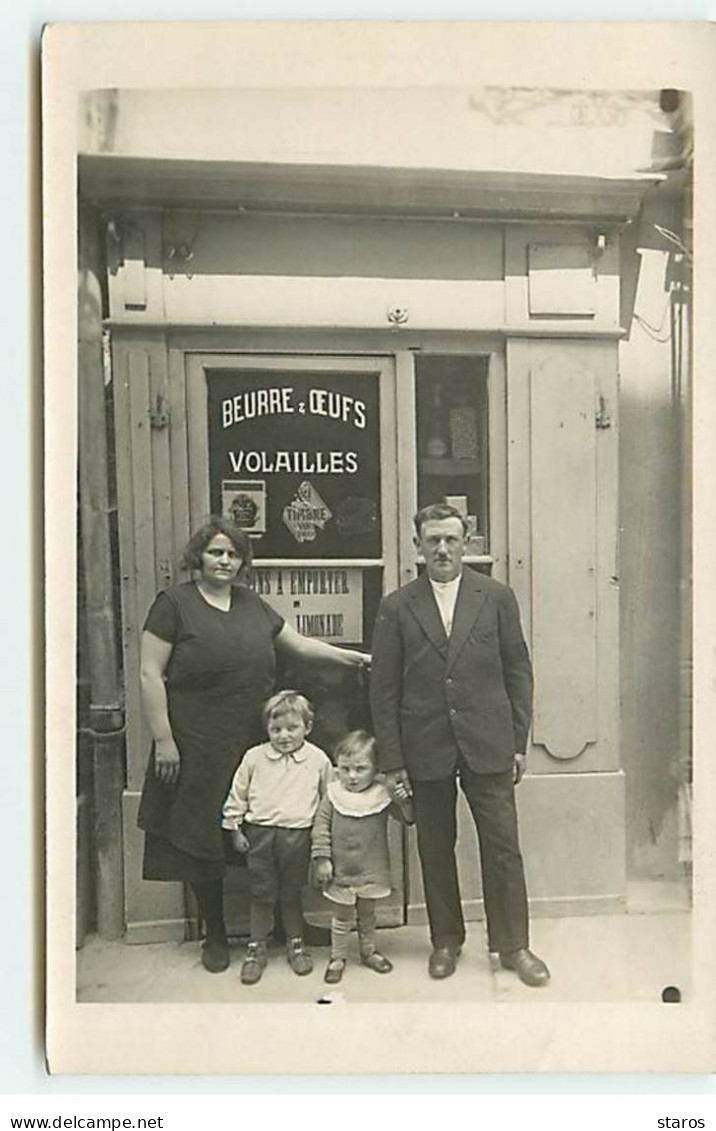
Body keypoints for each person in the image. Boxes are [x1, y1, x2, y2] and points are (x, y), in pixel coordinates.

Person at [138, 516, 368, 974]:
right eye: (215, 552)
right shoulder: (173, 604)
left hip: (256, 741)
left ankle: (288, 928)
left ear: (243, 561)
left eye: (232, 553)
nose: (224, 561)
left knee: (272, 832)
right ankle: (217, 935)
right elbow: (149, 673)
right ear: (198, 557)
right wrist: (164, 739)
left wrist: (352, 656)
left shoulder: (251, 605)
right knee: (205, 834)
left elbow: (297, 644)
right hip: (197, 742)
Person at [369, 502, 550, 987]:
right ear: (417, 546)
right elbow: (383, 688)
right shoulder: (396, 605)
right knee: (434, 846)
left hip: (487, 742)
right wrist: (392, 760)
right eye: (432, 540)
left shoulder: (496, 597)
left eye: (451, 539)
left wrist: (517, 740)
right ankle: (445, 941)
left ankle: (514, 946)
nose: (442, 549)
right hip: (423, 744)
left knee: (503, 845)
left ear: (466, 543)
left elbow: (518, 669)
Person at [221, 690, 331, 984]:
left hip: (298, 837)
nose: (283, 736)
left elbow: (327, 800)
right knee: (260, 893)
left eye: (292, 728)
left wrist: (323, 840)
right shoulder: (255, 757)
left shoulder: (317, 759)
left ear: (307, 728)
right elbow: (238, 794)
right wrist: (234, 828)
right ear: (266, 729)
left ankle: (296, 944)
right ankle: (256, 949)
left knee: (291, 892)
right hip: (260, 836)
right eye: (276, 729)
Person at [312, 730, 414, 985]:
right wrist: (323, 859)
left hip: (371, 868)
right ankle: (337, 957)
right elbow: (320, 827)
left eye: (360, 769)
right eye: (345, 769)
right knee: (342, 916)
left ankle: (369, 952)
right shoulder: (333, 795)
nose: (352, 776)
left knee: (368, 915)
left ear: (375, 769)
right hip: (341, 868)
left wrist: (402, 802)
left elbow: (408, 819)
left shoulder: (380, 795)